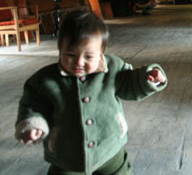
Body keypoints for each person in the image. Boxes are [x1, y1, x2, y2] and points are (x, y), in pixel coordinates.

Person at [14, 10, 167, 174]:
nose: (79, 62)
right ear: (60, 49)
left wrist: (148, 78)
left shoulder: (113, 68)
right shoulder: (45, 79)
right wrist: (33, 124)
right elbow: (32, 104)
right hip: (66, 153)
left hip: (109, 147)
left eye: (88, 56)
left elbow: (131, 82)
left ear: (101, 53)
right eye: (70, 54)